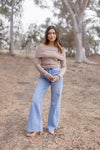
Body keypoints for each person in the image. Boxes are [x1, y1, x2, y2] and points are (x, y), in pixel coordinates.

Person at [26, 25, 66, 137]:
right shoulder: (41, 47)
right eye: (49, 33)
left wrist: (59, 76)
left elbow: (64, 66)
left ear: (56, 34)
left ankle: (52, 126)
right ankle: (35, 127)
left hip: (57, 76)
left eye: (53, 33)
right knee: (35, 100)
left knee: (55, 102)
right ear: (46, 35)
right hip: (44, 76)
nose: (51, 35)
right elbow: (36, 63)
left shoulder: (61, 49)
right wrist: (46, 74)